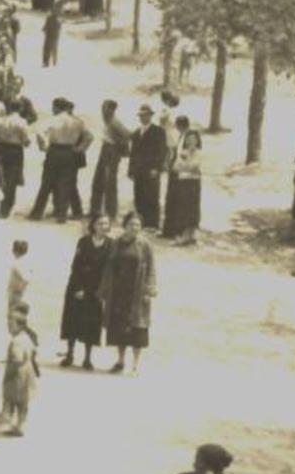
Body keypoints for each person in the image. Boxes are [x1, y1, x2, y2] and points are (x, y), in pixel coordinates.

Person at [98, 210, 154, 374]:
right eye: (131, 225)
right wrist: (104, 289)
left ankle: (136, 365)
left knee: (138, 329)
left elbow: (151, 269)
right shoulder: (116, 243)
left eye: (137, 225)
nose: (135, 228)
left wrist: (148, 289)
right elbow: (108, 267)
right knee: (118, 328)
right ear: (125, 226)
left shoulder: (145, 245)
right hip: (118, 292)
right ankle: (120, 361)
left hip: (137, 292)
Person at [58, 214, 110, 369]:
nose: (103, 226)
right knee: (73, 320)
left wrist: (103, 290)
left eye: (106, 223)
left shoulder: (111, 244)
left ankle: (87, 358)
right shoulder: (84, 242)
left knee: (92, 323)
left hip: (96, 290)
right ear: (93, 225)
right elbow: (76, 266)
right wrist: (78, 288)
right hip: (78, 286)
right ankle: (70, 354)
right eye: (100, 223)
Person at [0, 303, 40, 436]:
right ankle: (21, 425)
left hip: (17, 376)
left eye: (11, 324)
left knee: (11, 400)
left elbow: (17, 358)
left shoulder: (17, 341)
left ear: (20, 325)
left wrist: (10, 364)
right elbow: (33, 353)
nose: (9, 327)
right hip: (28, 375)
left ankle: (7, 422)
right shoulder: (27, 338)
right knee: (23, 403)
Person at [163, 117, 204, 243]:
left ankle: (190, 234)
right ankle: (179, 233)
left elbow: (195, 166)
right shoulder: (183, 150)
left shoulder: (199, 152)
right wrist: (184, 167)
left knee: (191, 208)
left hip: (193, 182)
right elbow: (177, 165)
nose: (192, 141)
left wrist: (184, 167)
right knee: (182, 206)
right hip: (183, 180)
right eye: (189, 140)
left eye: (194, 140)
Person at [127, 104, 166, 230]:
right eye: (141, 115)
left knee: (152, 195)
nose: (143, 118)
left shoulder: (158, 131)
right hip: (139, 170)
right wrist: (131, 170)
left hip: (151, 170)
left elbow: (162, 152)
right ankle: (141, 222)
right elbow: (133, 153)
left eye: (146, 115)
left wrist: (157, 168)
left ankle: (152, 223)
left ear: (150, 116)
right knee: (139, 195)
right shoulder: (136, 133)